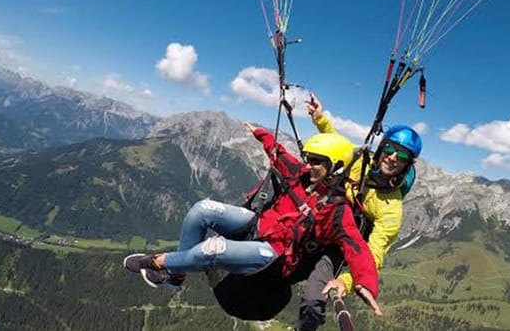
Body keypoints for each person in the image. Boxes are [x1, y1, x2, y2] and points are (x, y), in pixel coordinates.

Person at [123, 123, 382, 319]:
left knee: (212, 249)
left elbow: (356, 247)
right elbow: (278, 154)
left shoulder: (337, 210)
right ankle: (176, 276)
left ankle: (157, 261)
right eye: (309, 158)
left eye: (316, 162)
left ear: (335, 167)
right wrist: (261, 134)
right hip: (258, 227)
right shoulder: (300, 174)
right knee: (202, 209)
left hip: (275, 255)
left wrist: (366, 283)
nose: (309, 164)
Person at [298, 94, 422, 331]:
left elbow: (374, 254)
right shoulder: (360, 163)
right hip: (320, 223)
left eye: (403, 155)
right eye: (390, 149)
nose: (394, 158)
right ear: (382, 148)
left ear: (408, 165)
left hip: (340, 248)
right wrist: (320, 118)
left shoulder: (391, 208)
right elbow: (339, 146)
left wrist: (345, 281)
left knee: (313, 301)